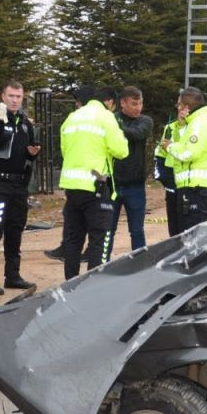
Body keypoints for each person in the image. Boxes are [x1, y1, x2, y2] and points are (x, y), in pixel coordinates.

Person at [0, 80, 41, 295]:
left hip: (18, 186)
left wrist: (33, 152)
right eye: (11, 96)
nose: (14, 100)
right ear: (3, 96)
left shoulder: (24, 122)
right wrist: (0, 120)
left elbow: (28, 150)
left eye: (18, 97)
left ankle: (12, 276)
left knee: (15, 232)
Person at [58, 84, 128, 280]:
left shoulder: (73, 117)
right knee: (98, 238)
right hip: (96, 187)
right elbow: (121, 151)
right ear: (109, 102)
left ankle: (70, 283)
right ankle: (93, 284)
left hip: (72, 187)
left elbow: (64, 150)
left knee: (73, 239)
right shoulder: (106, 117)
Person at [166, 86, 207, 232]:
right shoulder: (198, 121)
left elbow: (190, 153)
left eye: (179, 104)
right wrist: (181, 126)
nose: (177, 107)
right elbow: (186, 144)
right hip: (195, 189)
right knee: (187, 238)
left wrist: (170, 147)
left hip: (194, 190)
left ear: (186, 106)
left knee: (189, 241)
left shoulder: (200, 123)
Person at [108, 86, 154, 253]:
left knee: (136, 230)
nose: (138, 107)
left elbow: (138, 134)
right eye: (134, 103)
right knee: (108, 231)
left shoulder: (145, 121)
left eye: (140, 103)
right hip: (112, 185)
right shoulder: (112, 118)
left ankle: (139, 265)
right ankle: (102, 266)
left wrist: (113, 129)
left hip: (135, 186)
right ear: (123, 103)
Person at [153, 114, 182, 236]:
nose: (182, 109)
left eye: (186, 106)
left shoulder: (198, 126)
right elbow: (160, 155)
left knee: (191, 231)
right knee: (174, 231)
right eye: (180, 105)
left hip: (193, 188)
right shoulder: (170, 127)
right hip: (172, 186)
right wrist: (166, 180)